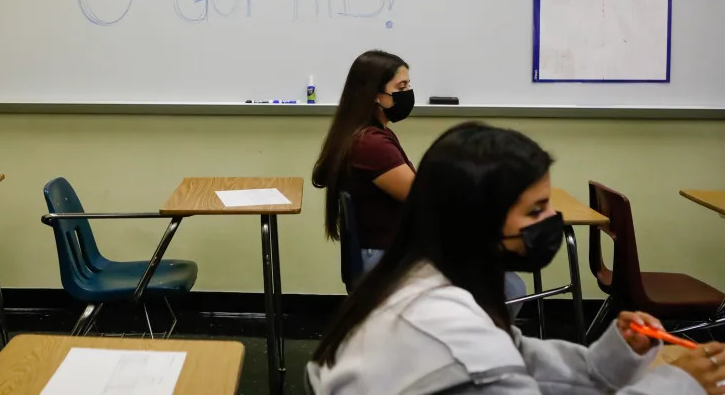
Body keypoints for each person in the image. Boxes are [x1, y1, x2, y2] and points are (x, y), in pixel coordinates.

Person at [307, 122, 722, 395]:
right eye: (536, 209)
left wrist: (615, 358)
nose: (552, 219)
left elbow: (522, 359)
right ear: (475, 220)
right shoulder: (445, 326)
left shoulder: (425, 278)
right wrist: (678, 385)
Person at [311, 51, 526, 309]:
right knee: (509, 288)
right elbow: (425, 200)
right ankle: (465, 346)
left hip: (390, 250)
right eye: (401, 87)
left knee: (501, 279)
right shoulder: (371, 144)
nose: (408, 93)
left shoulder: (370, 135)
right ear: (375, 95)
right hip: (385, 257)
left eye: (409, 85)